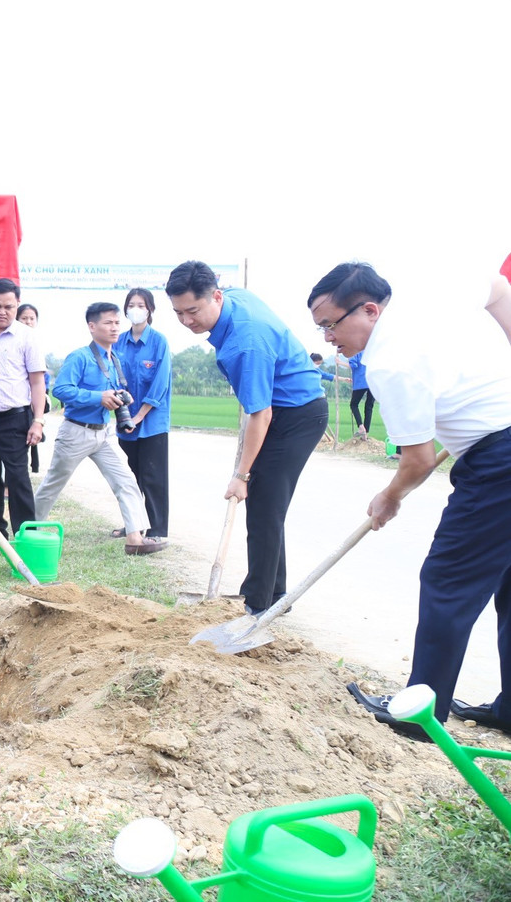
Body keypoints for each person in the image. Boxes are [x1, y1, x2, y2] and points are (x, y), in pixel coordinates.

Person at [311, 261, 511, 741]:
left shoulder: (389, 361)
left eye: (331, 325)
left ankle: (420, 715)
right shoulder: (434, 292)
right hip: (498, 446)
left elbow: (418, 460)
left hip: (499, 463)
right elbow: (498, 287)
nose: (328, 339)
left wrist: (389, 496)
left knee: (448, 582)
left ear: (370, 310)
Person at [166, 261, 327, 615]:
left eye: (193, 311)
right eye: (178, 313)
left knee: (264, 504)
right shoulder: (234, 297)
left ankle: (257, 604)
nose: (187, 321)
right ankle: (275, 595)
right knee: (266, 503)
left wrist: (240, 476)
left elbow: (260, 414)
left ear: (216, 297)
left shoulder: (246, 344)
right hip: (280, 409)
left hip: (296, 414)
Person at [32, 302, 167, 556]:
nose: (114, 328)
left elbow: (110, 391)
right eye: (108, 323)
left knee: (126, 480)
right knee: (53, 484)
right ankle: (29, 529)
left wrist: (120, 396)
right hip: (76, 432)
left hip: (104, 433)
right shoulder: (80, 357)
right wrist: (98, 397)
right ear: (92, 327)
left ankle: (135, 538)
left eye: (117, 323)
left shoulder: (114, 359)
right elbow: (61, 390)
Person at [0, 278, 46, 547]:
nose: (2, 312)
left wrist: (38, 421)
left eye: (9, 307)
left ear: (17, 304)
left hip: (15, 418)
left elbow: (37, 382)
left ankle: (26, 535)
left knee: (18, 478)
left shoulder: (27, 336)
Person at [113, 287, 172, 540]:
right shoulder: (118, 342)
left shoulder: (159, 342)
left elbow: (159, 385)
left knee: (153, 477)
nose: (135, 310)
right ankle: (133, 526)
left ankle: (157, 529)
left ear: (150, 310)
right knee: (129, 478)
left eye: (141, 305)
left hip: (152, 423)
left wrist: (138, 416)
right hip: (125, 422)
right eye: (131, 305)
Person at [17, 302, 47, 473]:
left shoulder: (37, 343)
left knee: (30, 440)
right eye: (24, 318)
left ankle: (33, 467)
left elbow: (41, 379)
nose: (28, 322)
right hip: (18, 403)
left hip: (33, 402)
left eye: (32, 319)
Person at [339, 351, 374, 439]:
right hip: (373, 381)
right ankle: (366, 433)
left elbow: (353, 365)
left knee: (353, 404)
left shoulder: (355, 351)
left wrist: (340, 362)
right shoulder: (371, 351)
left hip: (361, 382)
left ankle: (361, 427)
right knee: (369, 407)